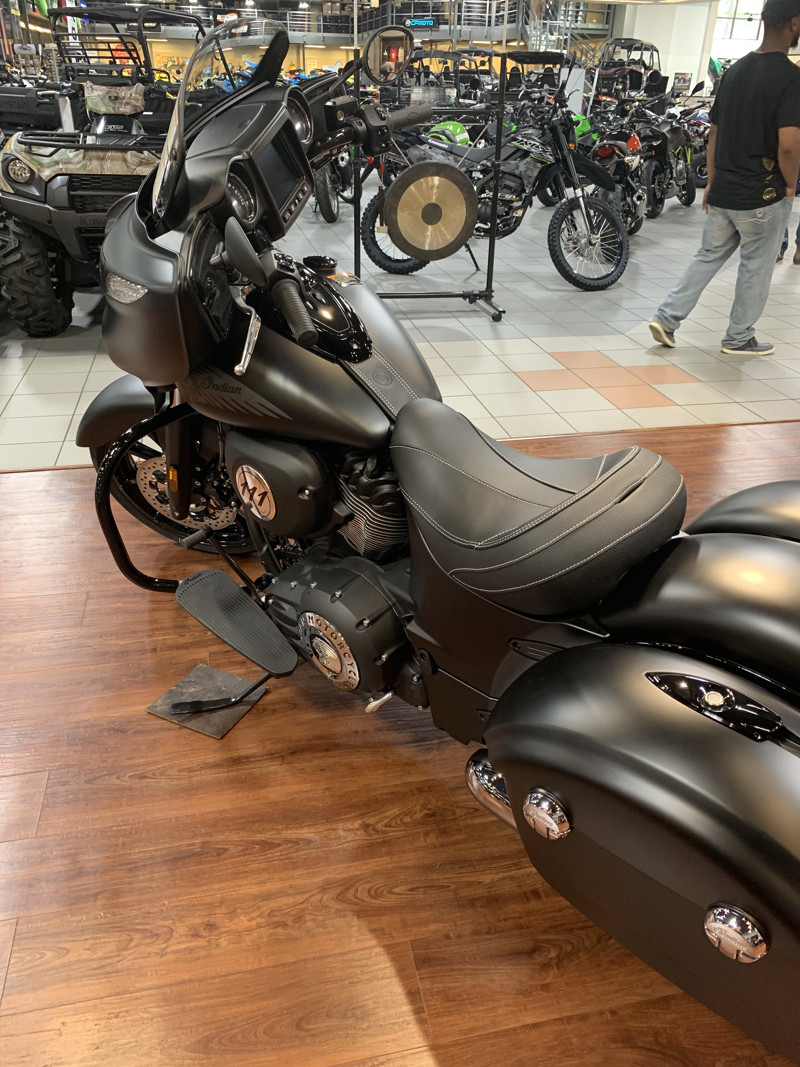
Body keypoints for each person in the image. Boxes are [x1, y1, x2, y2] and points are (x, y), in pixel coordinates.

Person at [649, 0, 800, 357]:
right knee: (755, 267)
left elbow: (714, 133)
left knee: (707, 257)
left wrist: (713, 182)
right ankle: (739, 336)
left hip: (725, 189)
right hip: (763, 193)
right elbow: (789, 145)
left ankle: (666, 318)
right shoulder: (791, 78)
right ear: (794, 24)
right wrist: (790, 185)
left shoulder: (734, 71)